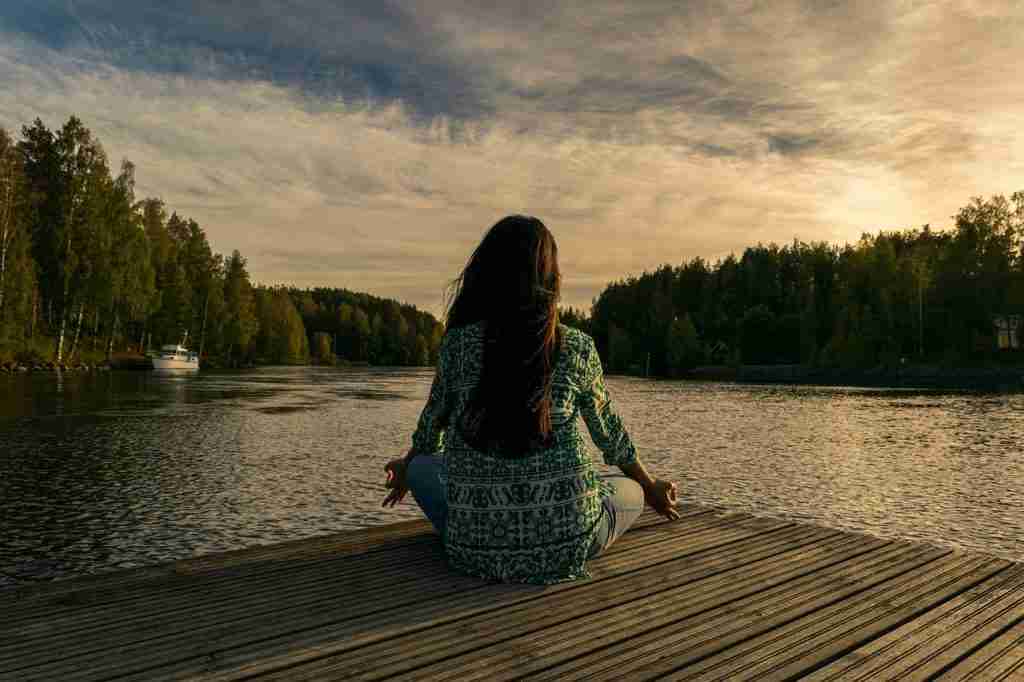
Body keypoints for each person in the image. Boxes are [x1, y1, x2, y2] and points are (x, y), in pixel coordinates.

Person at [382, 215, 679, 585]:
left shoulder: (458, 346)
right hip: (568, 543)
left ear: (486, 275)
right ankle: (609, 497)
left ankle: (478, 520)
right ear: (550, 280)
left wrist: (407, 468)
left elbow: (429, 432)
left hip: (475, 549)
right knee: (628, 489)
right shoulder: (576, 347)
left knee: (424, 467)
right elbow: (611, 436)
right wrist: (650, 486)